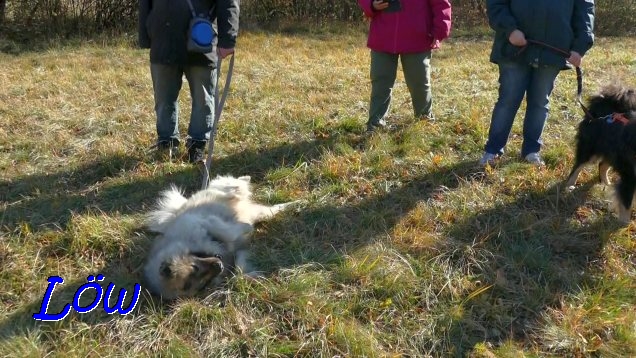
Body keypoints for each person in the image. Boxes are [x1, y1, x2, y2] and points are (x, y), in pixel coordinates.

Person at [480, 0, 595, 167]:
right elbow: (496, 4)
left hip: (554, 50)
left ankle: (531, 151)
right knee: (508, 100)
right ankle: (493, 150)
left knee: (540, 102)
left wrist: (580, 46)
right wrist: (510, 29)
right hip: (514, 49)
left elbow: (585, 10)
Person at [138, 0, 239, 163]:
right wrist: (145, 35)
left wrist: (228, 40)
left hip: (200, 41)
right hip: (163, 43)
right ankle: (167, 143)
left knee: (203, 99)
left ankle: (197, 144)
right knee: (164, 98)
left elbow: (228, 3)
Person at [357, 0, 452, 132]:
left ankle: (424, 122)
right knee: (380, 82)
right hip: (383, 35)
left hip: (418, 37)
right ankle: (375, 125)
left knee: (419, 83)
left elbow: (440, 3)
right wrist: (371, 5)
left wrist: (439, 31)